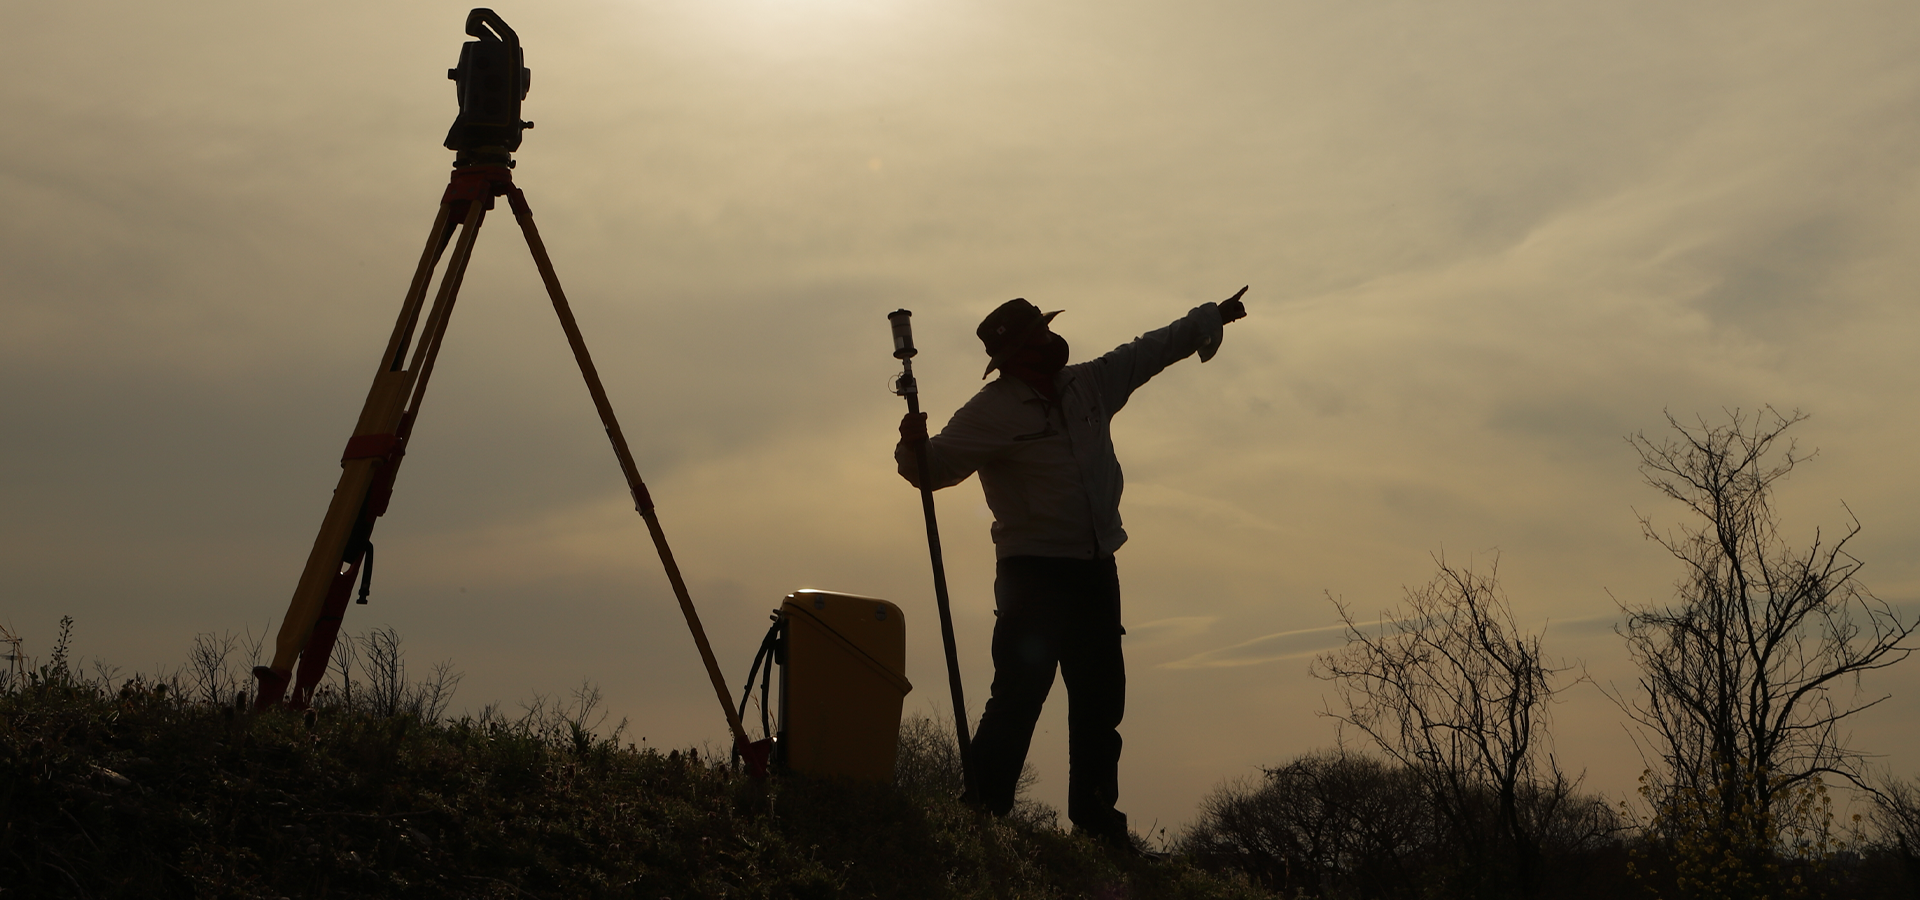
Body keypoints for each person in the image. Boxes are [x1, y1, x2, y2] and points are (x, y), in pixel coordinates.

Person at [895, 286, 1249, 848]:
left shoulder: (1088, 383)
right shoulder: (991, 411)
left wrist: (1208, 318)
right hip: (1032, 574)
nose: (1050, 338)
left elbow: (1147, 351)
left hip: (1094, 564)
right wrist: (910, 447)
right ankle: (983, 808)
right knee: (1018, 694)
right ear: (1020, 354)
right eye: (1039, 334)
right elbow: (931, 469)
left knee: (1100, 698)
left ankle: (1094, 816)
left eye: (1044, 328)